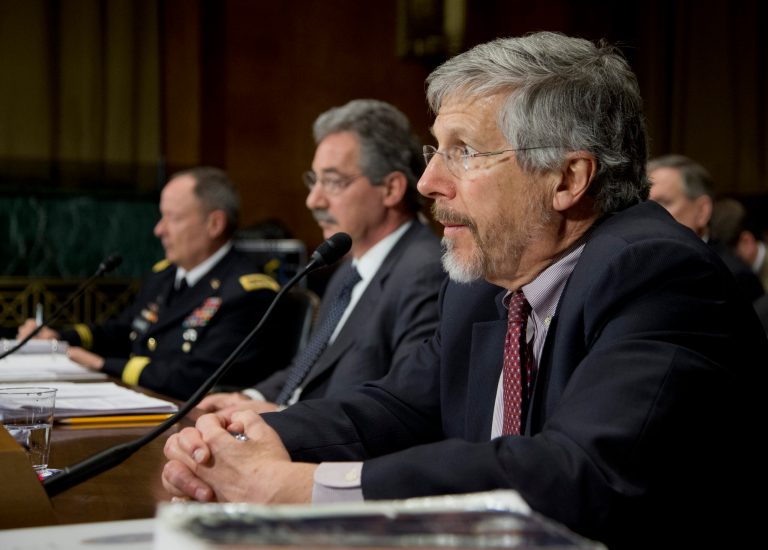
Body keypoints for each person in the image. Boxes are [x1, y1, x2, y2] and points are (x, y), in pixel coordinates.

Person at [162, 33, 766, 548]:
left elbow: (579, 474)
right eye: (435, 150)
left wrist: (298, 489)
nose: (429, 181)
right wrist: (249, 440)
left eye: (464, 152)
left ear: (567, 178)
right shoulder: (487, 278)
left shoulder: (656, 274)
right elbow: (400, 407)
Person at [196, 99, 444, 416]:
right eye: (314, 181)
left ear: (391, 189)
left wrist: (283, 420)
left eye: (333, 181)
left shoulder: (424, 271)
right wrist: (251, 398)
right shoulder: (346, 270)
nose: (314, 200)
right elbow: (310, 368)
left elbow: (402, 407)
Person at [18, 167, 287, 400]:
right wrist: (60, 338)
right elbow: (126, 330)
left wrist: (102, 364)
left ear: (214, 224)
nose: (159, 230)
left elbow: (199, 376)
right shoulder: (167, 275)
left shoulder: (247, 292)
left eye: (173, 218)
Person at [648, 154, 764, 301]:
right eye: (644, 204)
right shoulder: (641, 263)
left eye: (663, 203)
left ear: (702, 211)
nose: (648, 214)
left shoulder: (732, 277)